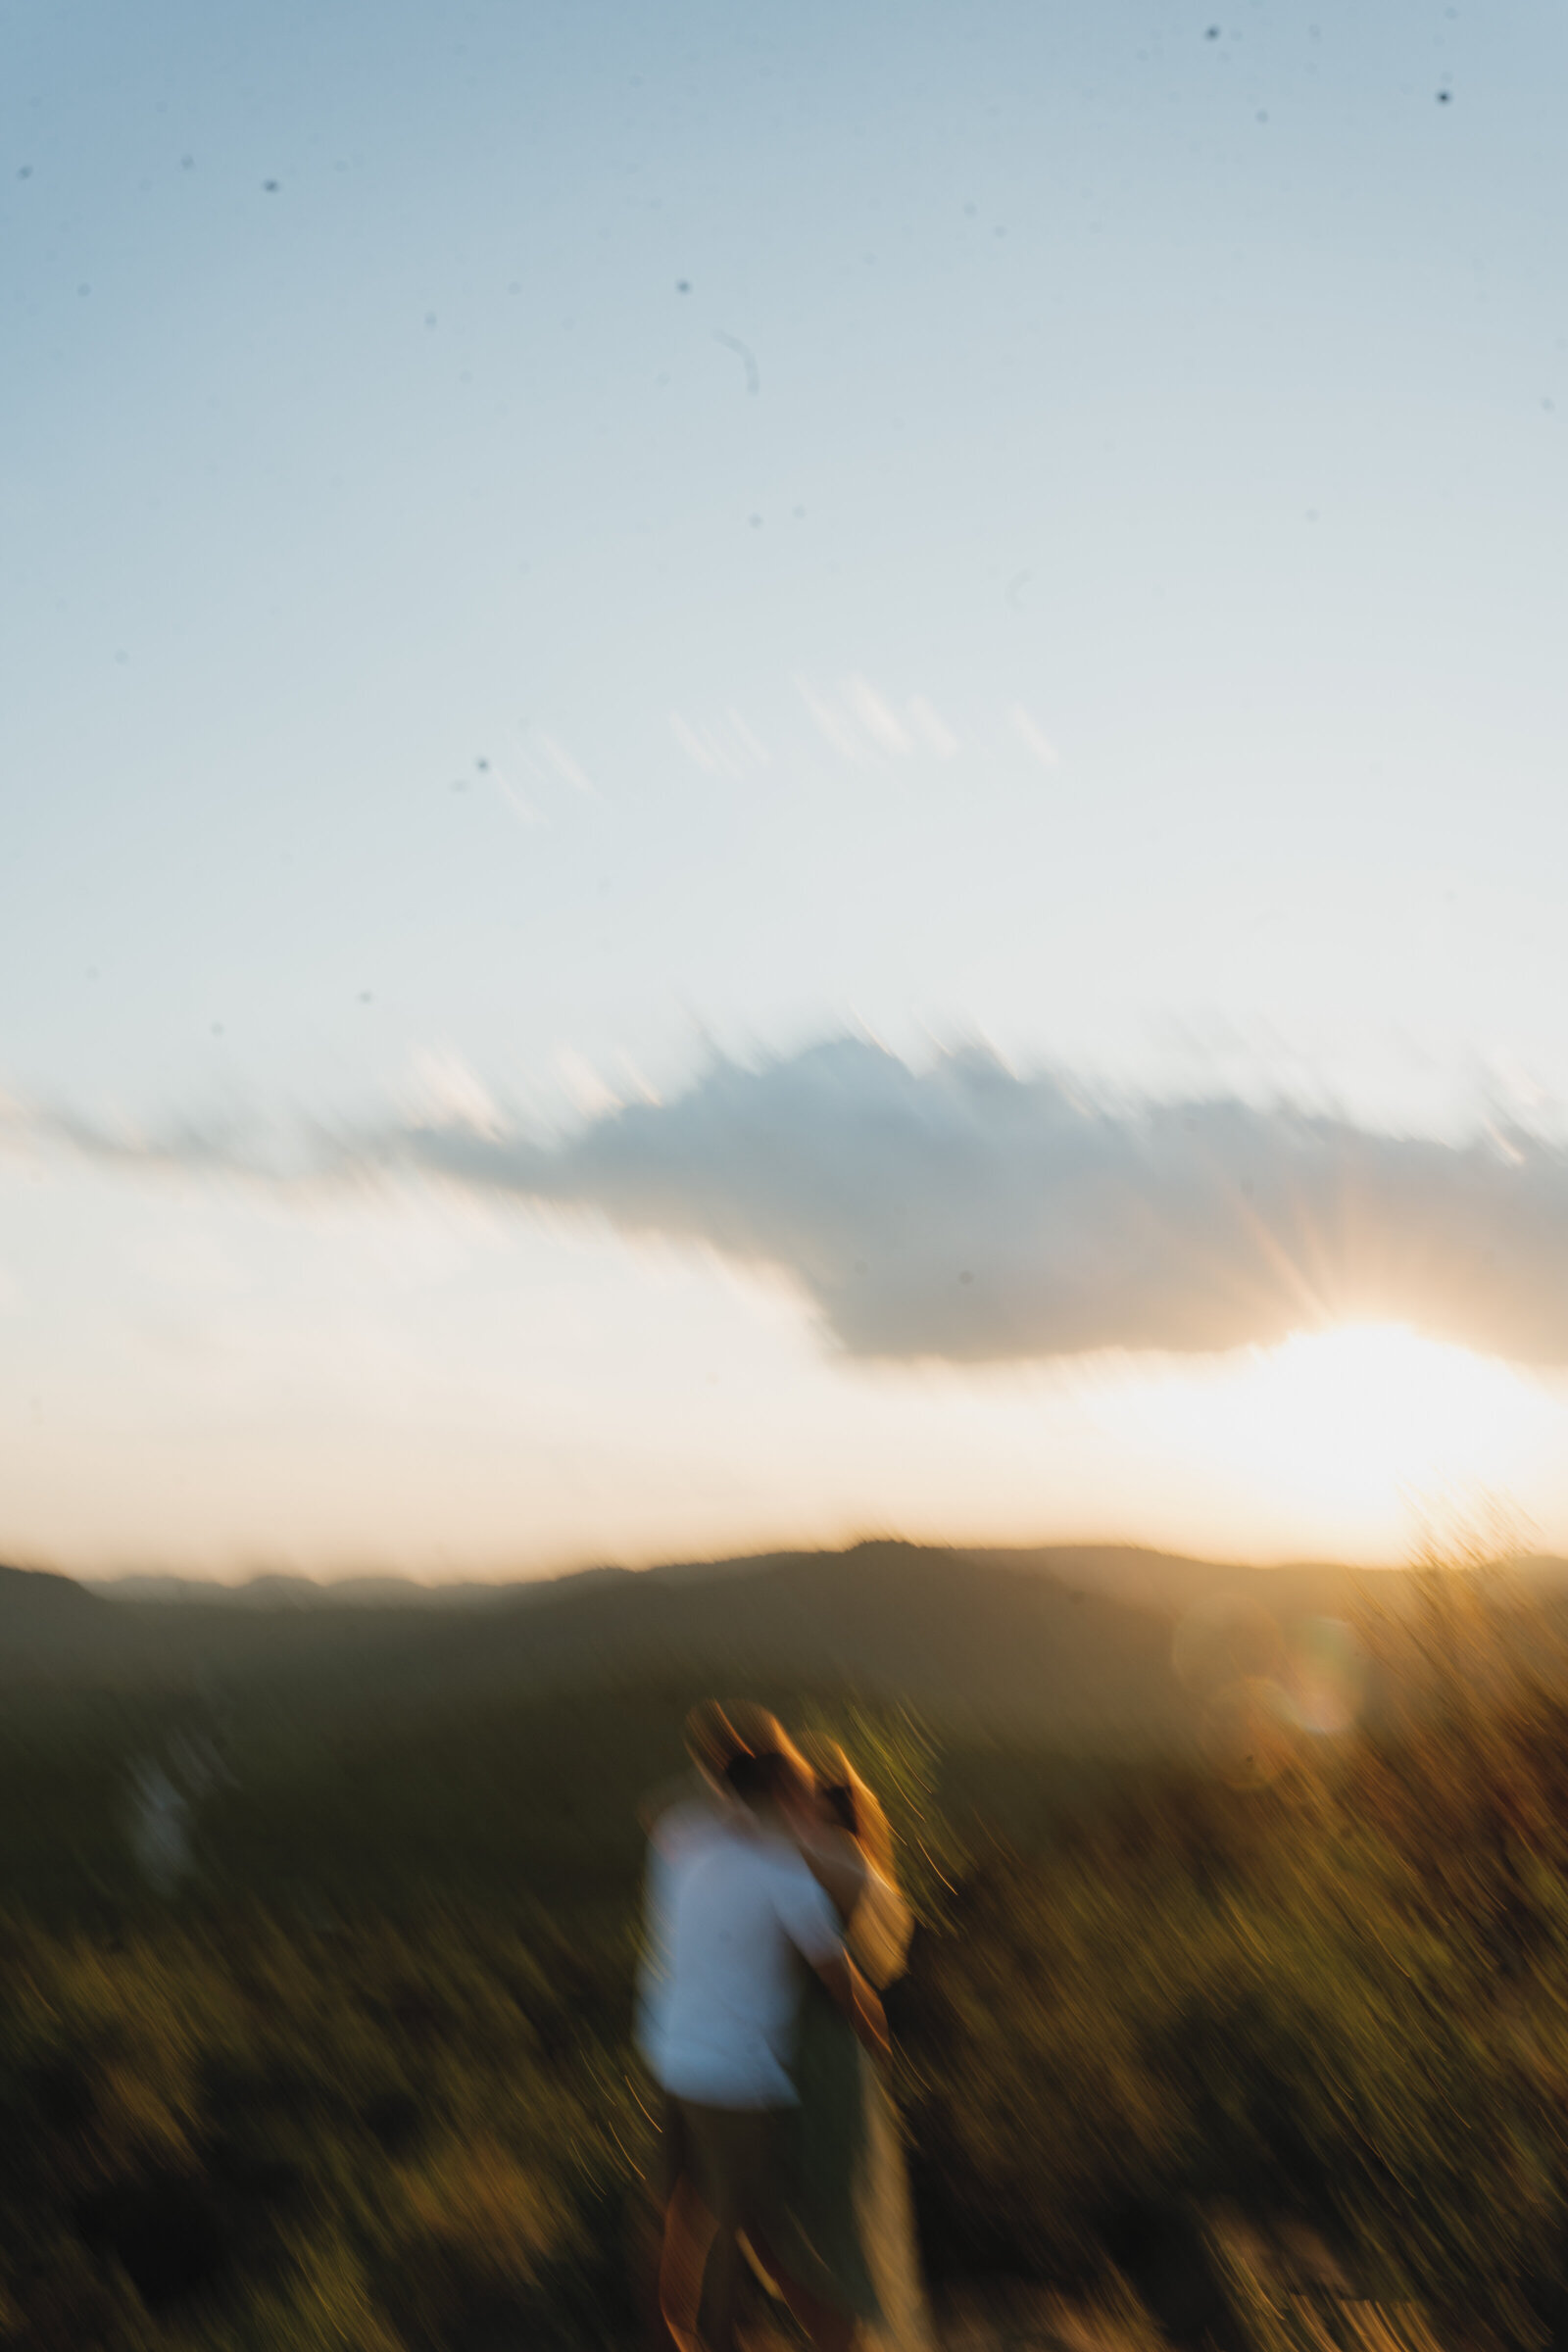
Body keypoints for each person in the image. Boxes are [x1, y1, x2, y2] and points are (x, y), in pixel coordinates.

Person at [652, 1734, 889, 2352]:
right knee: (767, 2230)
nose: (804, 1809)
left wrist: (760, 1821)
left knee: (788, 2238)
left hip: (800, 2076)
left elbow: (854, 1990)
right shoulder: (793, 1863)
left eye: (811, 1800)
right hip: (776, 2069)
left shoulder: (828, 1866)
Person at [761, 1737, 937, 2352]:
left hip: (821, 2067)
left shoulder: (831, 1859)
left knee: (819, 2235)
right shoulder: (830, 1863)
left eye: (806, 1801)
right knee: (806, 2232)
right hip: (814, 2062)